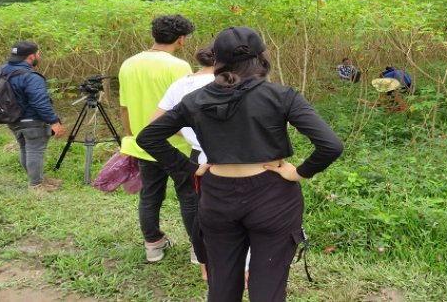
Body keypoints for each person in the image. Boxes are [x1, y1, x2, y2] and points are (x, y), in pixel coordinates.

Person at [137, 26, 344, 302]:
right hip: (273, 197)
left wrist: (188, 168)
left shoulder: (195, 100)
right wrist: (299, 172)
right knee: (267, 290)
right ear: (262, 58)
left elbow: (148, 136)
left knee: (221, 286)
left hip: (217, 196)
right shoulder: (282, 96)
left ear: (217, 60)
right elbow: (331, 145)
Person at [118, 14, 197, 263]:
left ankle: (153, 245)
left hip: (144, 143)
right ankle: (198, 249)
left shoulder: (128, 64)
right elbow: (187, 109)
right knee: (189, 196)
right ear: (181, 39)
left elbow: (124, 107)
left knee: (150, 195)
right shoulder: (179, 67)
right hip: (177, 146)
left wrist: (132, 134)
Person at [150, 46, 215, 280]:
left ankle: (199, 252)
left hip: (197, 155)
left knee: (192, 202)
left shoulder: (182, 84)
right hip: (232, 157)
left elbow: (154, 122)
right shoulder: (234, 82)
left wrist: (187, 132)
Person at [0, 41, 65, 192]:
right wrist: (54, 122)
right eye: (38, 53)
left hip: (12, 120)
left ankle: (38, 178)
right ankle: (36, 185)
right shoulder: (31, 77)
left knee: (25, 149)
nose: (39, 56)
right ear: (31, 56)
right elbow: (40, 103)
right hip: (33, 121)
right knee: (35, 150)